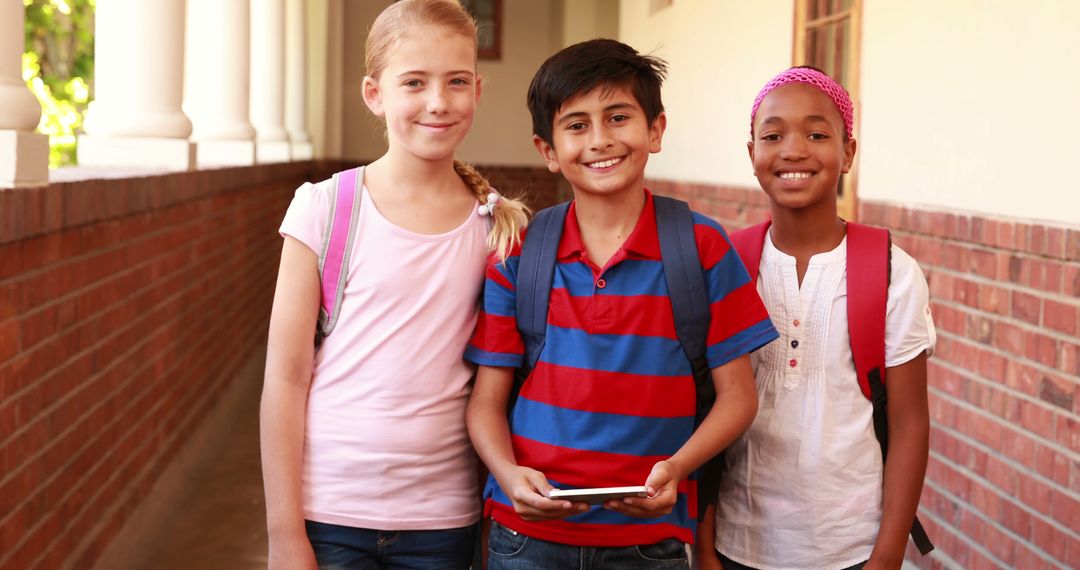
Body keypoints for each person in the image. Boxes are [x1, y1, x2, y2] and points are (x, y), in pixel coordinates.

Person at [464, 39, 778, 569]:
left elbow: (738, 399)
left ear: (655, 130)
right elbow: (485, 404)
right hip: (526, 541)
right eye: (577, 125)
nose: (600, 140)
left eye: (618, 117)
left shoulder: (701, 249)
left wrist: (678, 468)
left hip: (648, 543)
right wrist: (509, 475)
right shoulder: (520, 253)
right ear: (547, 150)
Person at [259, 1, 528, 568]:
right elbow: (284, 379)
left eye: (456, 81)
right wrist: (284, 534)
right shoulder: (325, 208)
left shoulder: (497, 226)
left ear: (478, 90)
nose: (438, 101)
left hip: (443, 519)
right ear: (374, 94)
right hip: (329, 513)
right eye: (414, 82)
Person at [699, 67, 937, 570]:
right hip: (738, 542)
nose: (793, 150)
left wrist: (887, 554)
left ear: (848, 152)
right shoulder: (727, 267)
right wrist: (703, 547)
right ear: (752, 154)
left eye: (816, 134)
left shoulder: (892, 271)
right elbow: (703, 412)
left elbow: (910, 423)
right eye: (773, 135)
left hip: (851, 546)